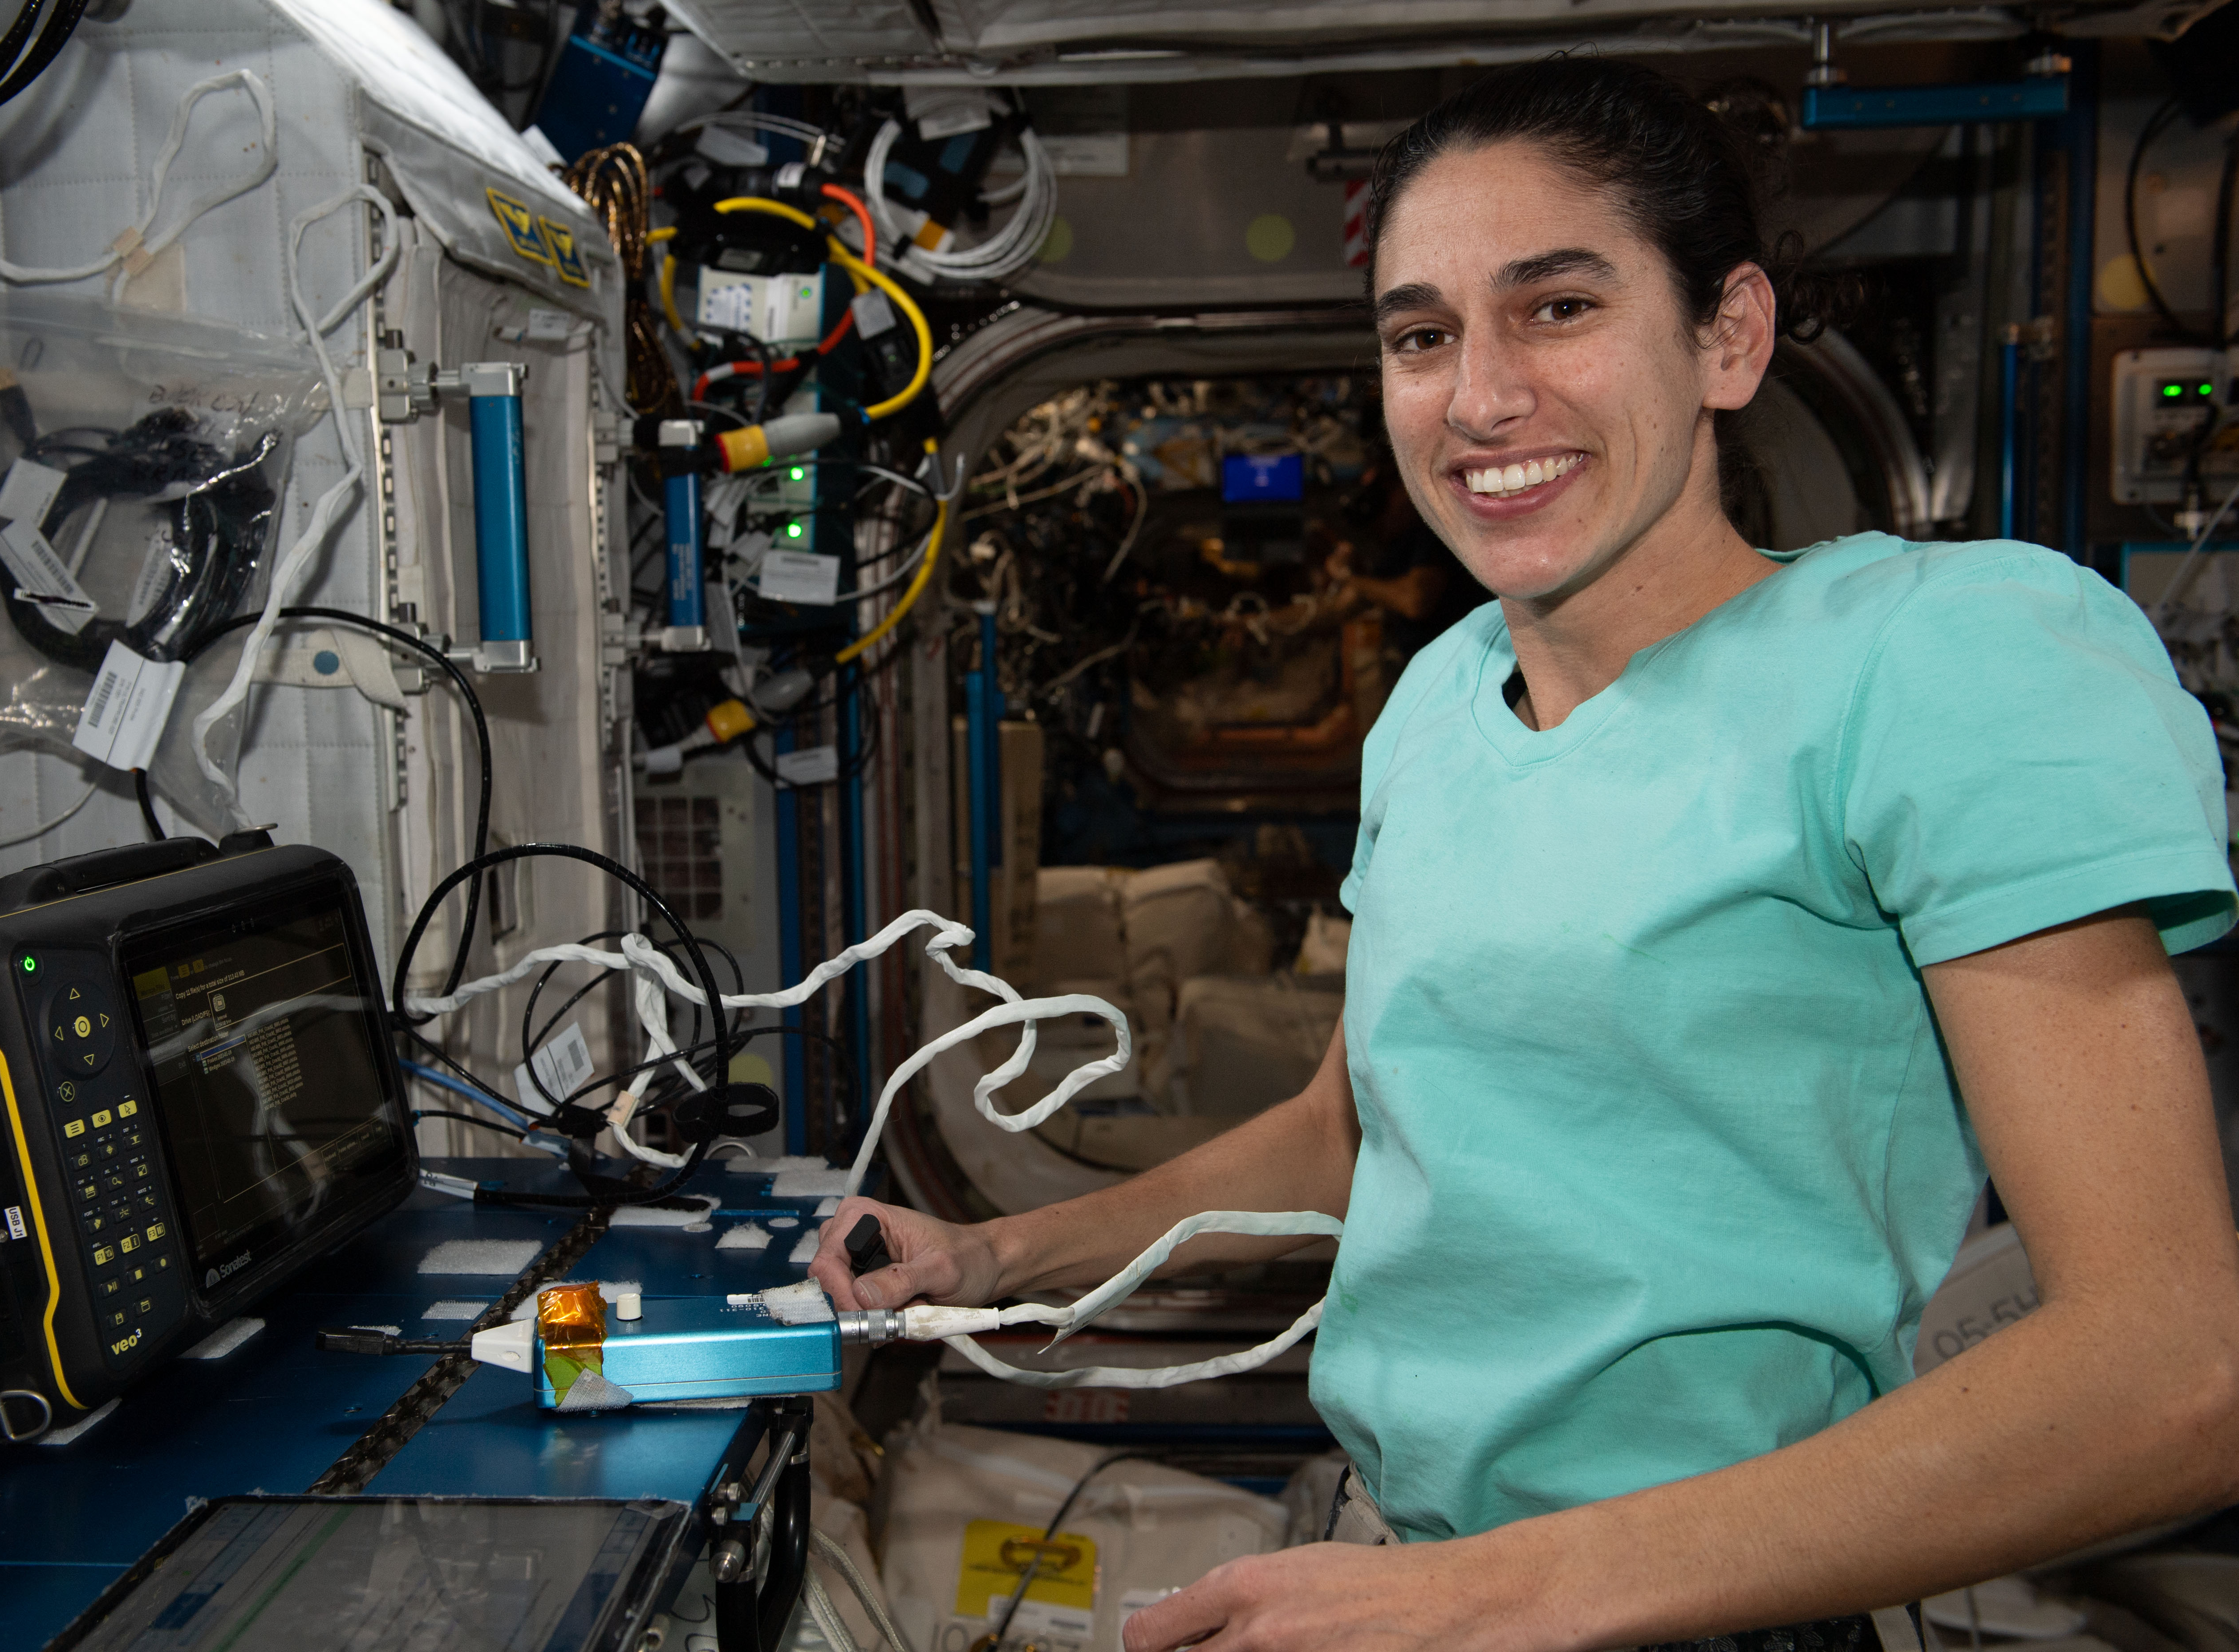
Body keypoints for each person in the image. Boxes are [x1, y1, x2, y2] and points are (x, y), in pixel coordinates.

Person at [815, 56, 2239, 1652]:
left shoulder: (1940, 665)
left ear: (1729, 336)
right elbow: (1349, 1135)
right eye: (1422, 336)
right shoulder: (1439, 702)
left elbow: (2172, 1372)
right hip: (1412, 1560)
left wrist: (1476, 1603)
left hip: (1693, 1603)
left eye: (1558, 308)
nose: (1480, 399)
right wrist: (993, 1251)